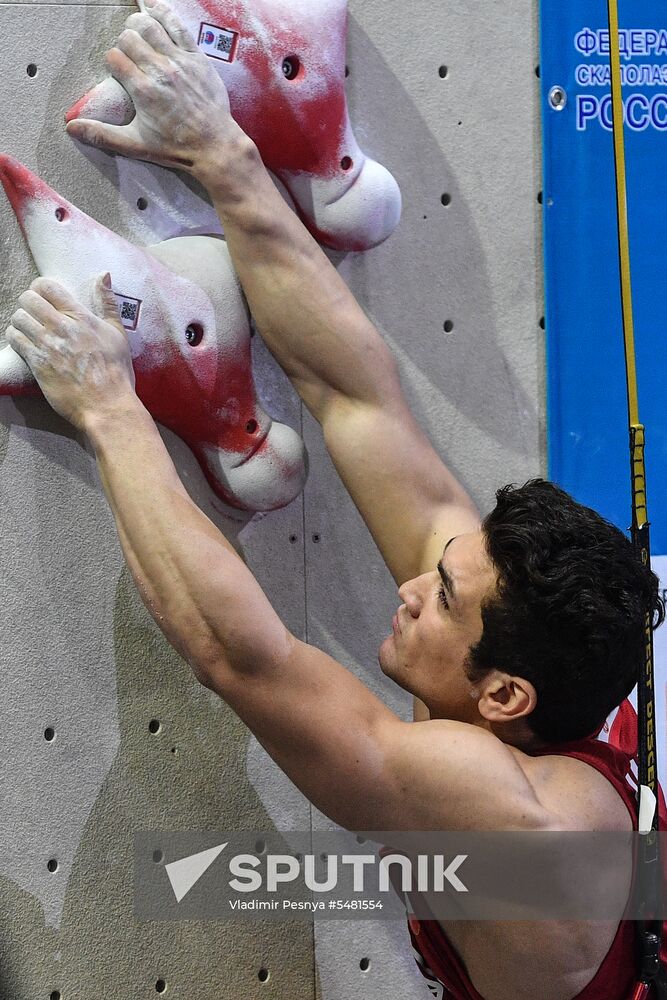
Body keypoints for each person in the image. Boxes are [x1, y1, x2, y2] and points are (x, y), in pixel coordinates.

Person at [4, 4, 666, 998]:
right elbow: (356, 400)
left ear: (502, 697)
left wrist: (107, 405)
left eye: (441, 600)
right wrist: (223, 153)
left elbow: (243, 656)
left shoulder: (516, 818)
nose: (413, 585)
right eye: (445, 573)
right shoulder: (516, 661)